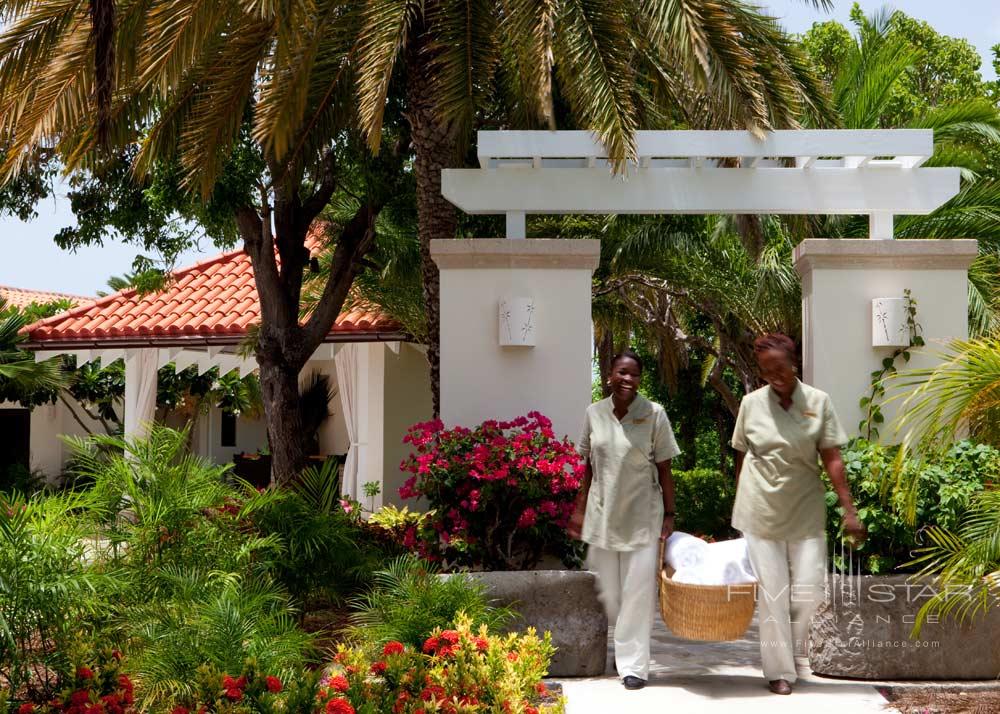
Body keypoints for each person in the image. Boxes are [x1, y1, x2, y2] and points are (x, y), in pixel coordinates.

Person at [731, 333, 867, 696]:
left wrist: (848, 509)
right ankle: (780, 671)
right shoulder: (750, 404)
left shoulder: (818, 402)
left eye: (780, 367)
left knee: (807, 591)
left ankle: (789, 652)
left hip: (805, 508)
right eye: (765, 370)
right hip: (760, 509)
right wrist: (738, 502)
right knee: (773, 593)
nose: (774, 374)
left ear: (795, 363)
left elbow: (832, 457)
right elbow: (742, 455)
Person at [568, 349, 680, 691]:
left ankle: (633, 667)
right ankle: (612, 655)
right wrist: (579, 508)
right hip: (603, 517)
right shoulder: (594, 413)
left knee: (638, 594)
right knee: (611, 593)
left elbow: (664, 468)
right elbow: (586, 466)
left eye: (634, 374)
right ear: (610, 375)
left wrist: (671, 516)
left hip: (644, 516)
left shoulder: (654, 414)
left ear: (639, 379)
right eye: (621, 372)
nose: (627, 379)